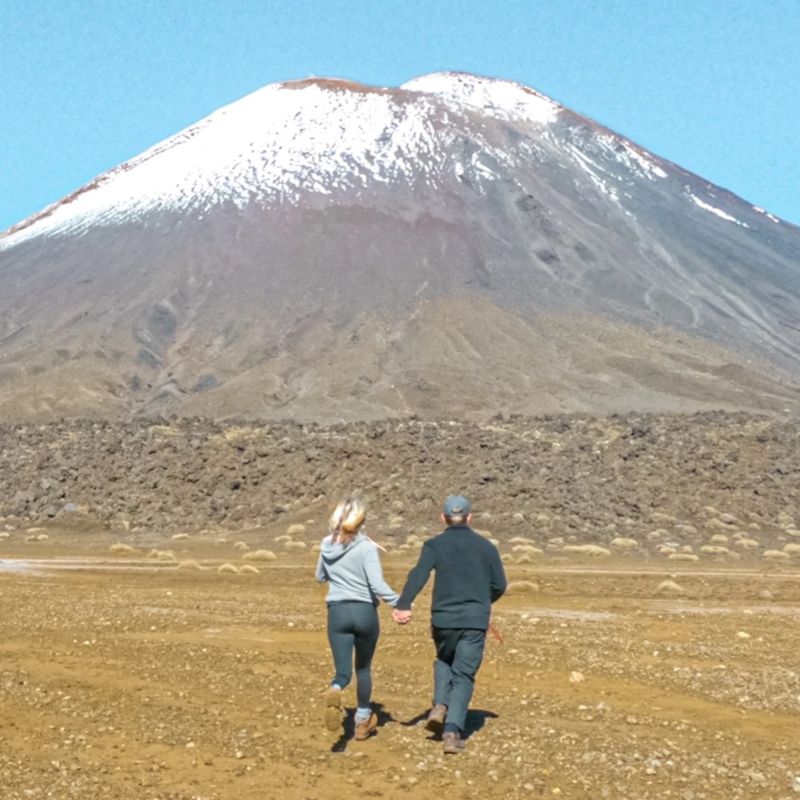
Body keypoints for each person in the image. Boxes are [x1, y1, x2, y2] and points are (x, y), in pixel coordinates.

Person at [393, 494, 506, 754]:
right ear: (469, 517)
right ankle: (452, 732)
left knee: (444, 659)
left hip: (443, 619)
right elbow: (500, 585)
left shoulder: (434, 545)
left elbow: (418, 574)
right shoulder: (487, 547)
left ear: (443, 518)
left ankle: (440, 705)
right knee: (464, 674)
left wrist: (403, 604)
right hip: (474, 620)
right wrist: (482, 602)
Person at [316, 497, 399, 740]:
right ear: (361, 521)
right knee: (363, 668)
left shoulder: (325, 544)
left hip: (338, 612)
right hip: (364, 612)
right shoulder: (366, 548)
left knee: (343, 671)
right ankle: (362, 719)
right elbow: (377, 584)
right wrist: (399, 602)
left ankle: (336, 687)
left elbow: (319, 576)